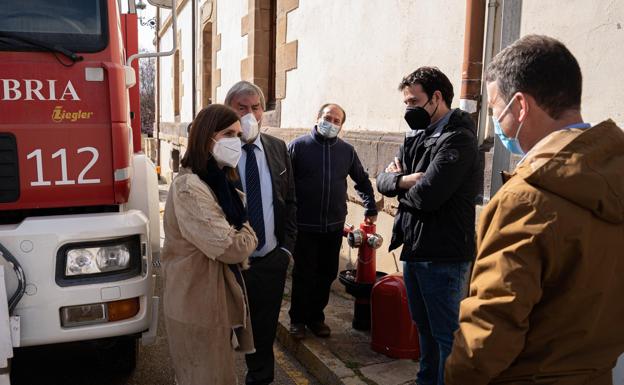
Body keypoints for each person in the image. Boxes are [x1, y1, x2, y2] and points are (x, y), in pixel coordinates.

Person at [445, 35, 624, 385]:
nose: (496, 122)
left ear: (521, 106)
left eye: (496, 110)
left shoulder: (525, 199)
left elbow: (487, 332)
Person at [376, 67, 479, 385]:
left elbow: (429, 196)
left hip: (445, 256)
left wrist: (400, 190)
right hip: (415, 249)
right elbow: (383, 180)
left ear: (437, 98)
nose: (409, 109)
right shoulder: (416, 137)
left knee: (446, 336)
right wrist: (404, 180)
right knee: (423, 329)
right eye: (405, 102)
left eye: (414, 101)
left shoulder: (458, 139)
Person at [161, 104, 257, 385]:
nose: (235, 142)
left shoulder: (219, 181)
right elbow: (231, 248)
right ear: (206, 137)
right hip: (195, 304)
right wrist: (249, 231)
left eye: (239, 135)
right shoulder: (190, 186)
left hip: (212, 302)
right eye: (228, 133)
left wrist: (242, 232)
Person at [224, 81, 297, 385]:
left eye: (255, 107)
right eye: (242, 107)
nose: (250, 113)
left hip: (269, 260)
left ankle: (260, 379)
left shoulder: (277, 147)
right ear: (228, 109)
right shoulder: (217, 149)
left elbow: (290, 200)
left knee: (263, 333)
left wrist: (286, 251)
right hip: (228, 263)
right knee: (221, 332)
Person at [288, 103, 378, 339]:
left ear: (341, 126)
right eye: (328, 118)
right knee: (304, 274)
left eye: (337, 121)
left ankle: (316, 318)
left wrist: (370, 206)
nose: (332, 123)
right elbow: (283, 184)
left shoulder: (346, 151)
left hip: (333, 226)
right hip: (304, 225)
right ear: (318, 118)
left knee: (326, 274)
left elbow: (361, 180)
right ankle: (297, 319)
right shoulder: (298, 147)